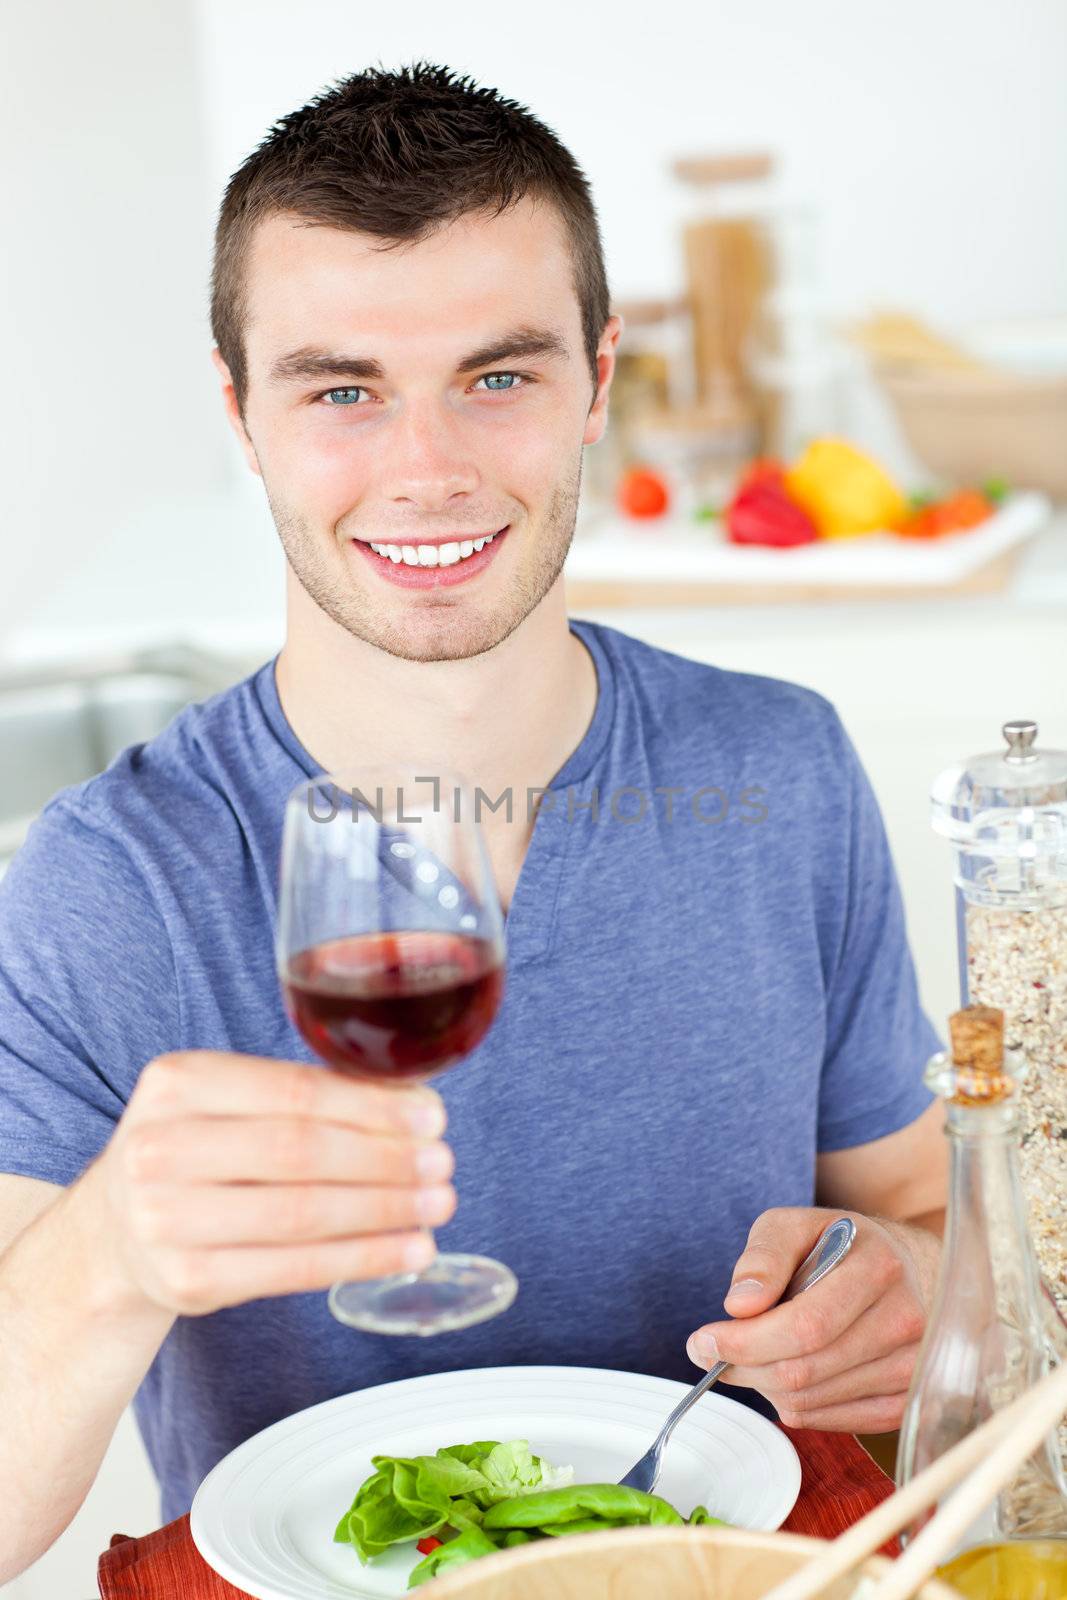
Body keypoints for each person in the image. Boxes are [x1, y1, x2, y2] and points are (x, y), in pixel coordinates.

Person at [0, 61, 948, 1579]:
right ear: (244, 416)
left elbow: (916, 1214)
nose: (426, 468)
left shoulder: (782, 768)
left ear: (598, 379)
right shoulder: (111, 884)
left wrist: (906, 1281)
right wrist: (111, 1255)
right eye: (342, 389)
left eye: (498, 376)